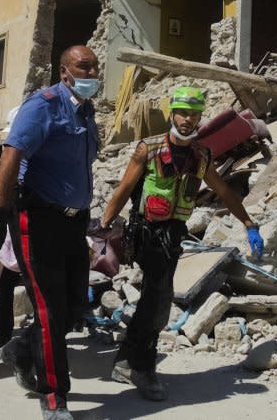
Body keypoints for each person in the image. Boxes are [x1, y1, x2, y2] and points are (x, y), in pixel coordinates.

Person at [100, 86, 265, 401]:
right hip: (146, 233)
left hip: (173, 235)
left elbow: (225, 191)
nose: (188, 120)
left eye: (194, 114)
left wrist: (248, 222)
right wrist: (104, 225)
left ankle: (124, 360)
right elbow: (123, 190)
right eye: (182, 113)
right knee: (158, 302)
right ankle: (143, 368)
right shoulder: (147, 150)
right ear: (171, 113)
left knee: (152, 298)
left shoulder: (200, 155)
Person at [0, 45, 100, 420]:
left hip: (73, 221)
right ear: (64, 72)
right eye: (83, 65)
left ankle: (20, 349)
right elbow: (11, 156)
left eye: (95, 65)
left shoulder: (87, 110)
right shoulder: (43, 105)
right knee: (47, 309)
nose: (93, 71)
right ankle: (53, 398)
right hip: (38, 219)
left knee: (73, 308)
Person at [0, 106, 22, 358]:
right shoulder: (2, 164)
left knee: (10, 286)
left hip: (22, 231)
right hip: (14, 231)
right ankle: (3, 337)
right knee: (8, 285)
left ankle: (4, 338)